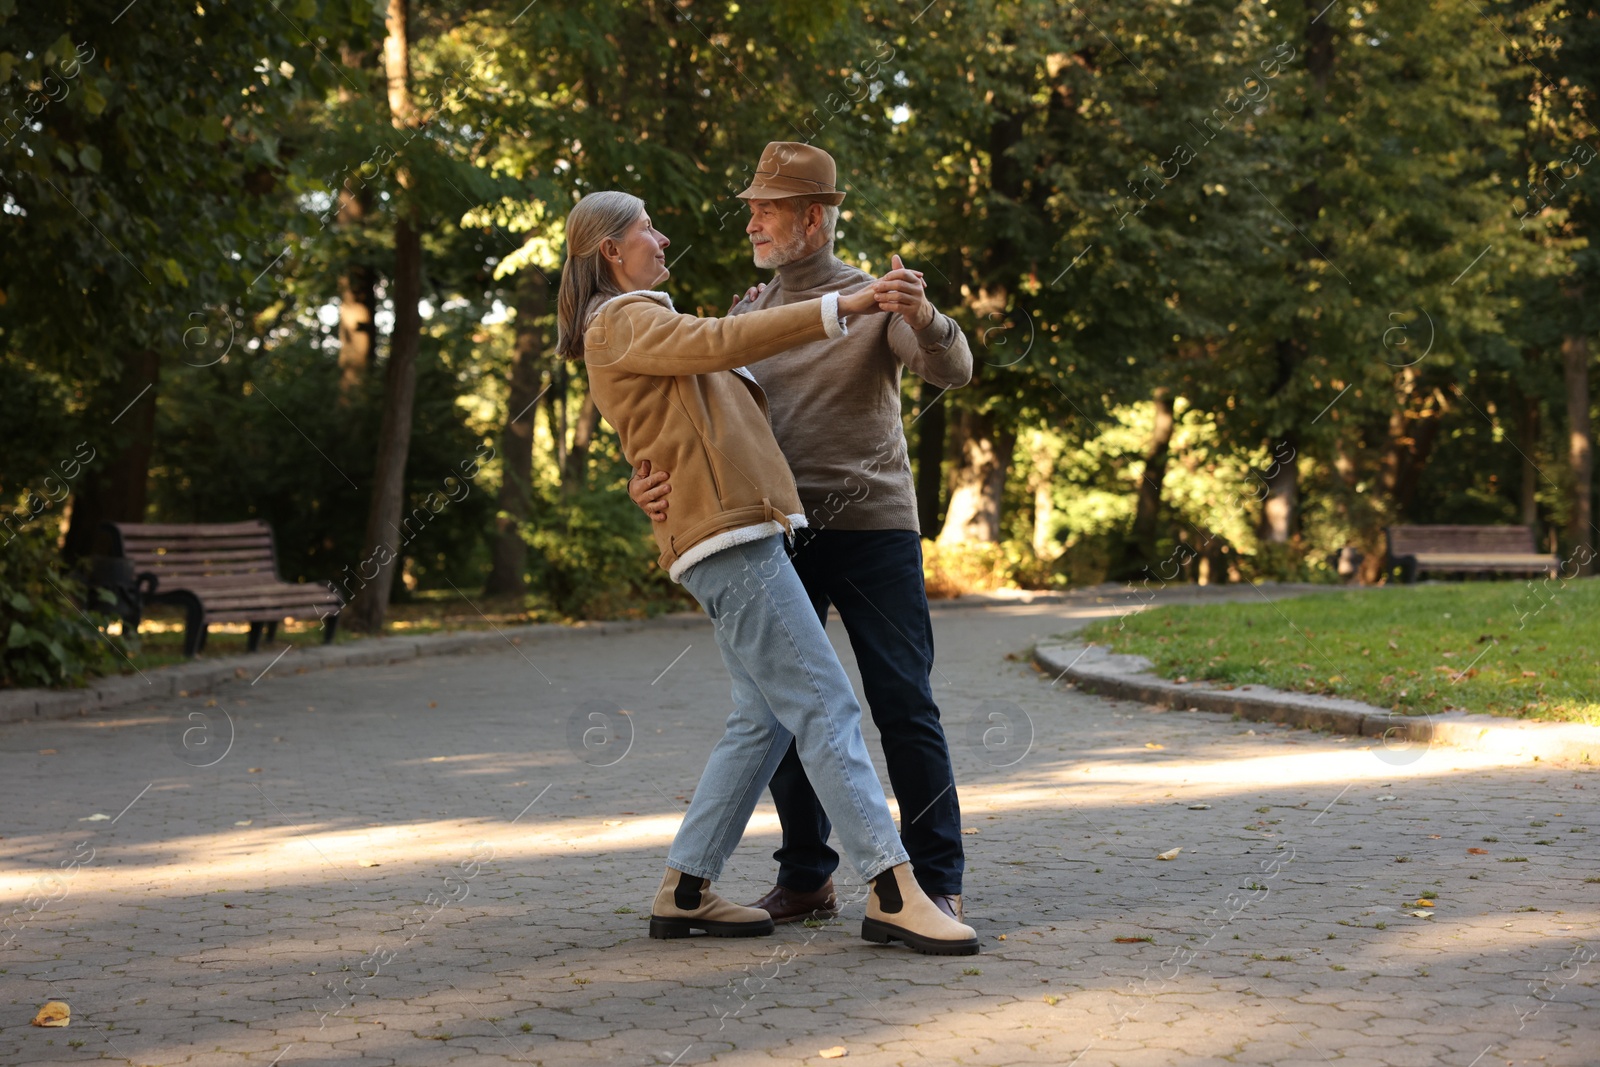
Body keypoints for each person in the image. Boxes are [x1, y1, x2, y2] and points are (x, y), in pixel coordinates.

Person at [555, 189, 978, 956]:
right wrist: (843, 306)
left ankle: (686, 889)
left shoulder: (644, 320)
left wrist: (652, 470)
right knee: (826, 704)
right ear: (610, 252)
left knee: (766, 716)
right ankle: (892, 889)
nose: (663, 233)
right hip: (733, 543)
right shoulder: (624, 317)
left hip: (756, 533)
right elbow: (716, 344)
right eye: (647, 226)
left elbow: (685, 415)